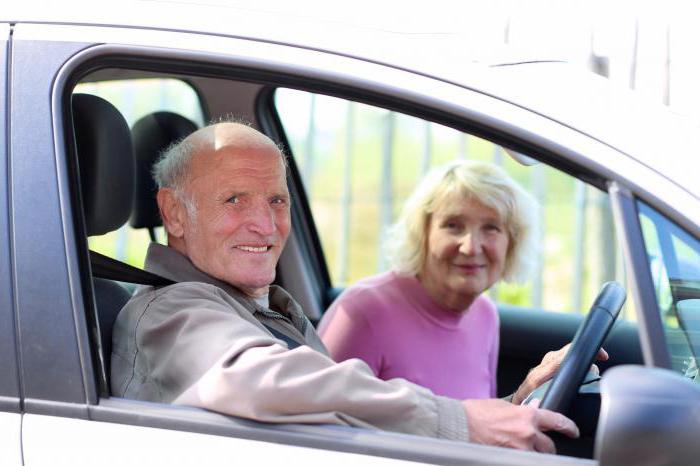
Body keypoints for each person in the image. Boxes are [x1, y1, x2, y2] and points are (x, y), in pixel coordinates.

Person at [111, 121, 579, 453]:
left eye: (276, 200)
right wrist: (459, 423)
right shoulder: (171, 310)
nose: (264, 224)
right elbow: (258, 379)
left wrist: (510, 409)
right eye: (235, 200)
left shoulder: (256, 307)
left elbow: (345, 420)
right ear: (173, 213)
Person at [318, 161, 537, 402]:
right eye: (453, 226)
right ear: (422, 233)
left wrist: (525, 395)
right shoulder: (363, 310)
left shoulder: (485, 315)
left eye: (491, 228)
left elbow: (475, 421)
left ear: (512, 243)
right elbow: (316, 423)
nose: (471, 247)